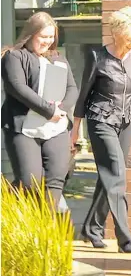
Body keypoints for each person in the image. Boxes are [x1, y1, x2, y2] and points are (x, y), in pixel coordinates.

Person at [72, 6, 131, 253]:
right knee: (116, 174)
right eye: (129, 40)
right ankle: (125, 238)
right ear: (116, 35)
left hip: (126, 121)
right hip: (100, 119)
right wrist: (75, 132)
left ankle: (91, 228)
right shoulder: (97, 57)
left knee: (110, 177)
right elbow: (82, 97)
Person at [1, 12, 78, 210]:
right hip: (24, 128)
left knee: (55, 183)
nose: (47, 41)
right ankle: (10, 207)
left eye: (51, 37)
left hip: (55, 128)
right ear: (31, 34)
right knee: (30, 182)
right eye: (43, 36)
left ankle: (48, 232)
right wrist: (48, 110)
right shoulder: (14, 57)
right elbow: (18, 87)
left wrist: (61, 109)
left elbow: (72, 88)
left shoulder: (58, 58)